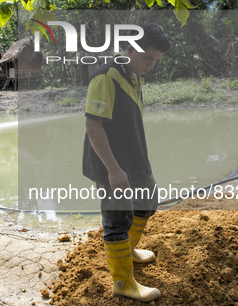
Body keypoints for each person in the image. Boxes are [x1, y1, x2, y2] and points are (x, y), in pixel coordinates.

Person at [82, 22, 170, 302]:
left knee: (148, 201)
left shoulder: (133, 74)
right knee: (117, 219)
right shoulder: (106, 77)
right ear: (130, 48)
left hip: (133, 158)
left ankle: (128, 250)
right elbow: (93, 126)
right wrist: (113, 169)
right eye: (147, 58)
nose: (151, 65)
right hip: (112, 164)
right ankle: (122, 282)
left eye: (155, 61)